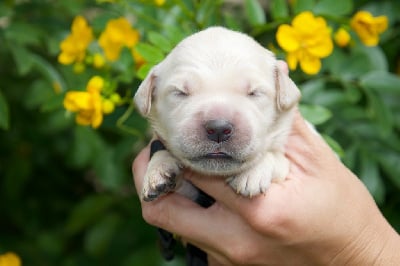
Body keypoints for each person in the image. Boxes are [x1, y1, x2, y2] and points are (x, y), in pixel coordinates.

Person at [132, 65, 400, 265]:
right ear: (150, 94)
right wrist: (165, 164)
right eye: (181, 92)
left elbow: (287, 169)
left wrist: (359, 250)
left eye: (252, 93)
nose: (218, 122)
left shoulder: (295, 146)